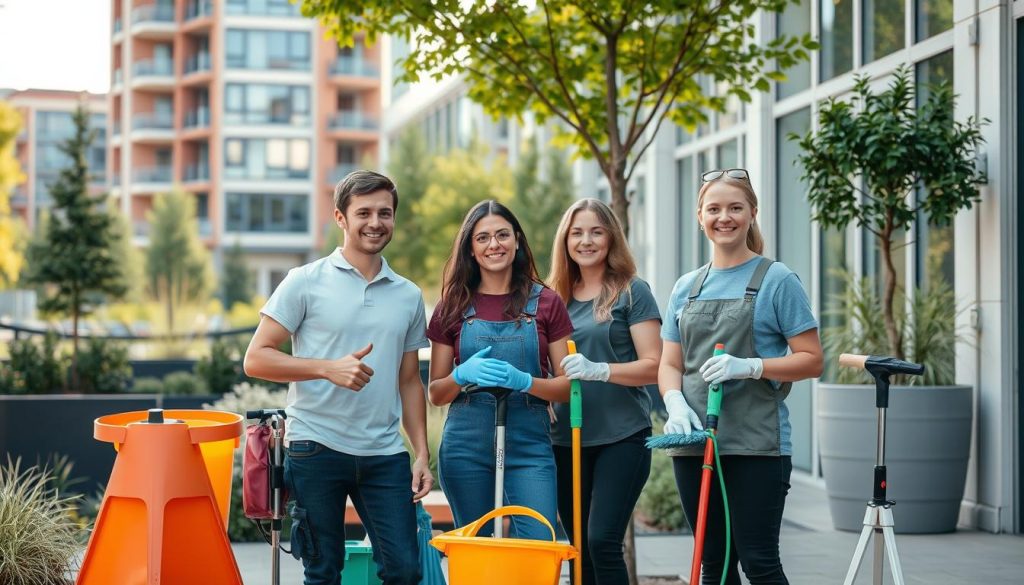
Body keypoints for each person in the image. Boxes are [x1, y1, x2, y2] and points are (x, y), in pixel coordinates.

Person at [243, 170, 432, 585]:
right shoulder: (304, 281)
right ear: (340, 217)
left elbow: (408, 380)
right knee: (323, 570)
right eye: (363, 212)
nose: (375, 222)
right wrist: (327, 367)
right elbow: (256, 359)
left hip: (384, 453)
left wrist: (420, 452)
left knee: (404, 570)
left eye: (385, 212)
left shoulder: (408, 294)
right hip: (316, 447)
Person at [658, 168, 824, 585]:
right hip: (696, 445)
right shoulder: (685, 287)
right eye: (713, 209)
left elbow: (811, 359)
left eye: (735, 207)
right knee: (713, 562)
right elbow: (670, 363)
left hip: (757, 446)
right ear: (700, 216)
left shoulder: (776, 279)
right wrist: (674, 403)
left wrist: (752, 366)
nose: (724, 217)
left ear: (752, 213)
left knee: (759, 562)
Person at [426, 199, 573, 539]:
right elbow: (436, 393)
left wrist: (525, 381)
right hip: (466, 442)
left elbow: (567, 387)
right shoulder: (452, 305)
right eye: (483, 238)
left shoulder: (547, 302)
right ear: (471, 249)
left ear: (518, 240)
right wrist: (461, 376)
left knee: (538, 541)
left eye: (503, 234)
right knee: (477, 550)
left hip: (529, 442)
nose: (494, 244)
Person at [547, 198, 663, 585]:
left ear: (611, 237)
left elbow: (653, 365)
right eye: (577, 232)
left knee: (602, 541)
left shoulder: (632, 292)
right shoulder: (552, 297)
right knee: (579, 546)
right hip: (566, 439)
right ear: (565, 240)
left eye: (596, 231)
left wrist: (600, 370)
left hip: (622, 436)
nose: (586, 241)